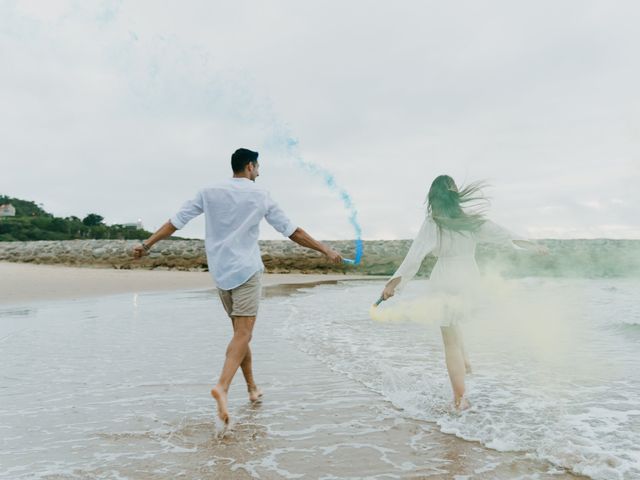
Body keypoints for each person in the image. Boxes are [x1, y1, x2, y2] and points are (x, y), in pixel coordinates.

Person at [133, 148, 343, 424]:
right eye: (258, 167)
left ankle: (252, 389)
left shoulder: (208, 191)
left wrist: (147, 244)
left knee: (239, 335)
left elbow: (176, 222)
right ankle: (222, 386)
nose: (259, 172)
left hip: (220, 273)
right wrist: (325, 250)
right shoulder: (260, 195)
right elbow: (293, 232)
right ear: (249, 167)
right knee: (243, 335)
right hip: (246, 271)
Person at [379, 175, 546, 410]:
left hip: (445, 276)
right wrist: (533, 246)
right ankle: (465, 361)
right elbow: (504, 235)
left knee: (449, 340)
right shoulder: (470, 222)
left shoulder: (433, 222)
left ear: (433, 198)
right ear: (455, 196)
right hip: (468, 277)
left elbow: (415, 256)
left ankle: (460, 399)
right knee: (454, 322)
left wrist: (392, 285)